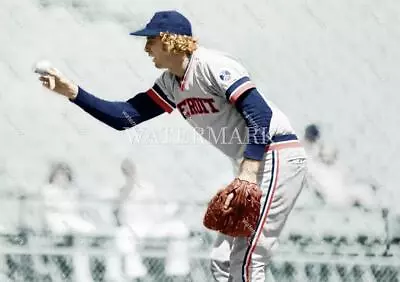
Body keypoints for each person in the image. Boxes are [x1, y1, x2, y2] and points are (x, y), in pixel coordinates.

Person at [36, 10, 308, 282]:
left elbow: (261, 114)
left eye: (150, 41)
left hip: (275, 156)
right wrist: (73, 93)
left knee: (249, 257)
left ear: (169, 41)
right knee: (224, 260)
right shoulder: (171, 83)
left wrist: (248, 172)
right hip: (252, 165)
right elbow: (124, 117)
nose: (146, 49)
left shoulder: (212, 65)